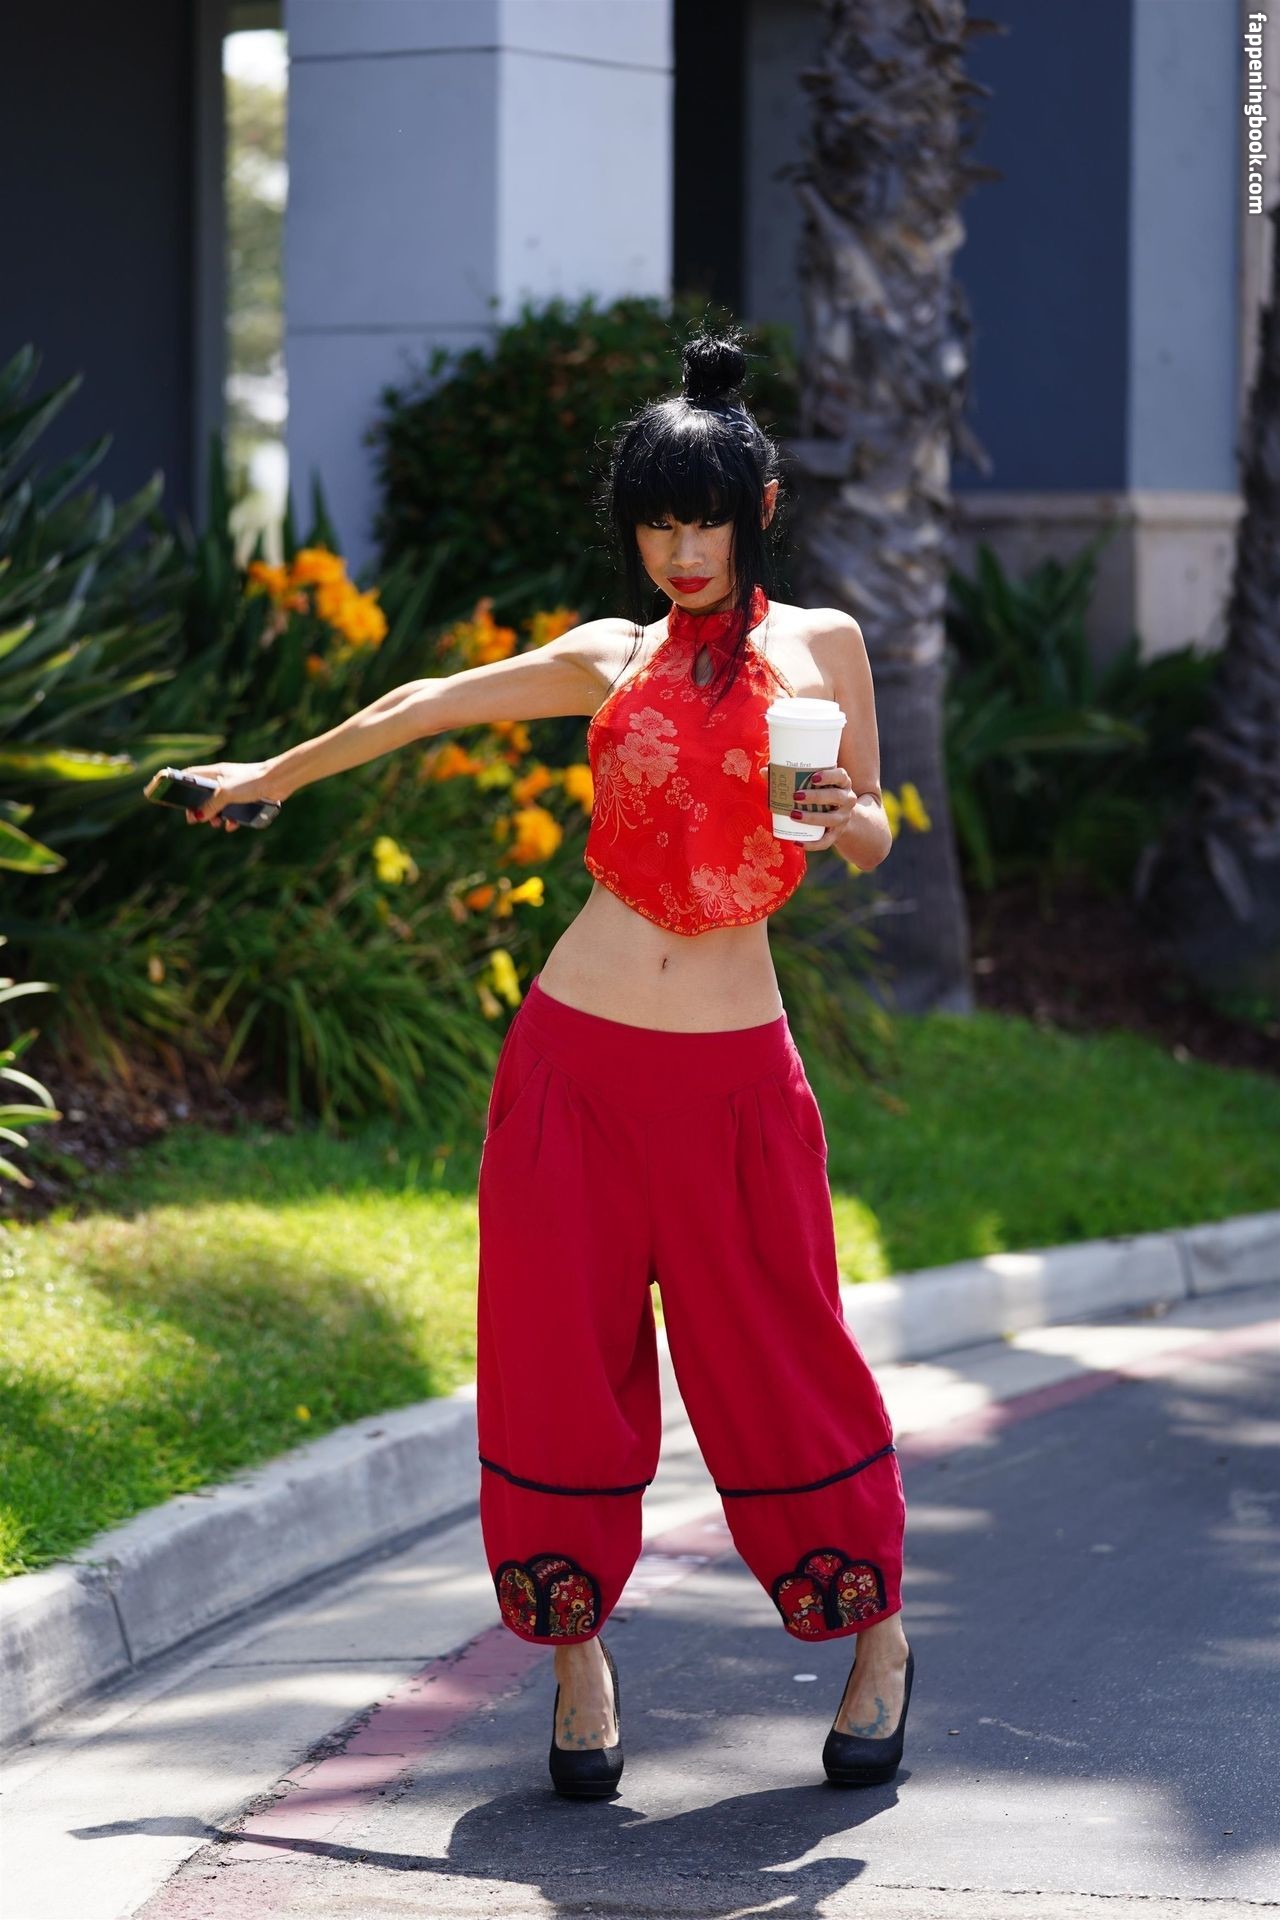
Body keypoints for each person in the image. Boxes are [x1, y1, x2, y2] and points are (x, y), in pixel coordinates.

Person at [173, 327, 914, 1801]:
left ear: (758, 512)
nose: (681, 552)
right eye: (656, 524)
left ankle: (877, 1639)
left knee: (780, 1353)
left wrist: (844, 817)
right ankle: (578, 1668)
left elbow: (878, 833)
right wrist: (268, 778)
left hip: (733, 1081)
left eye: (706, 522)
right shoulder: (609, 658)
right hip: (573, 1065)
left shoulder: (824, 647)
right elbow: (423, 705)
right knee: (554, 1357)